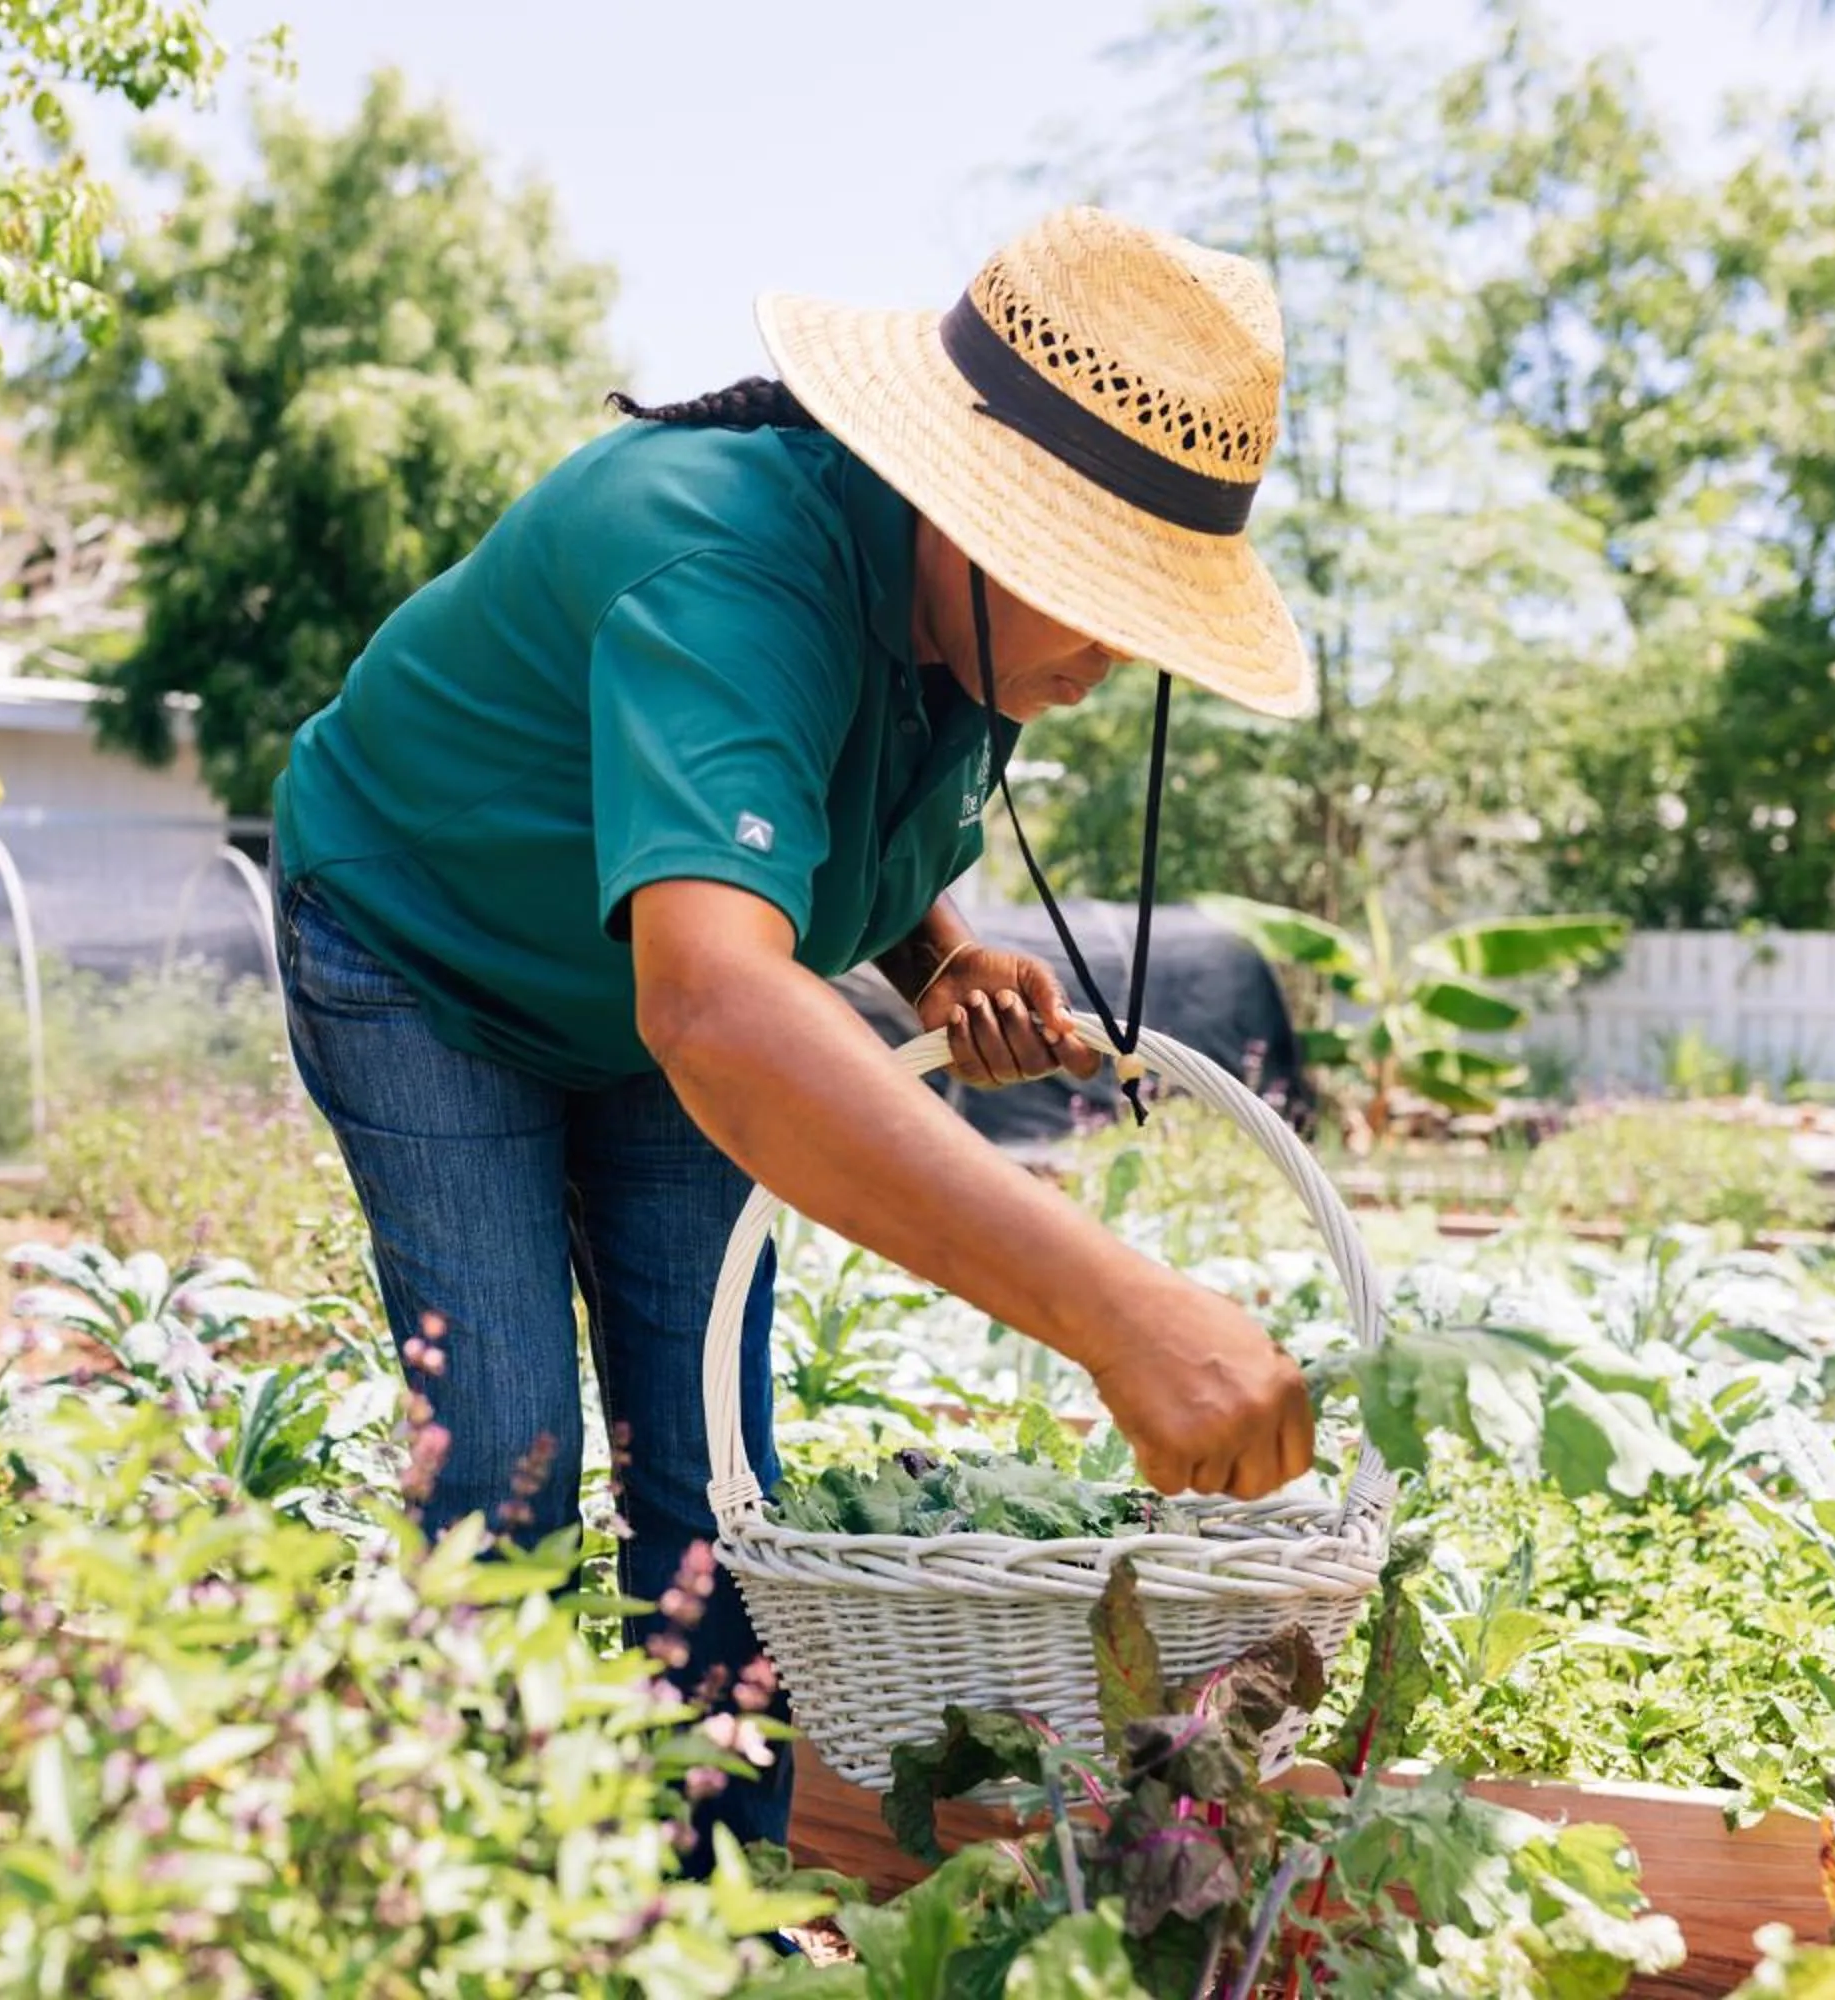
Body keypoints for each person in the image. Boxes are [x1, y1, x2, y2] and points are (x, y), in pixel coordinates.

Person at [267, 206, 1317, 1856]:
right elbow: (714, 1001)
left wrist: (938, 953)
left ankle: (708, 1906)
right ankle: (480, 1911)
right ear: (965, 507)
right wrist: (1121, 1312)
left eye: (1145, 603)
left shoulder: (971, 636)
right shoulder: (716, 551)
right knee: (509, 1473)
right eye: (1094, 585)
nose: (1112, 648)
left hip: (659, 994)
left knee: (715, 1498)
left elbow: (794, 813)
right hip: (430, 953)